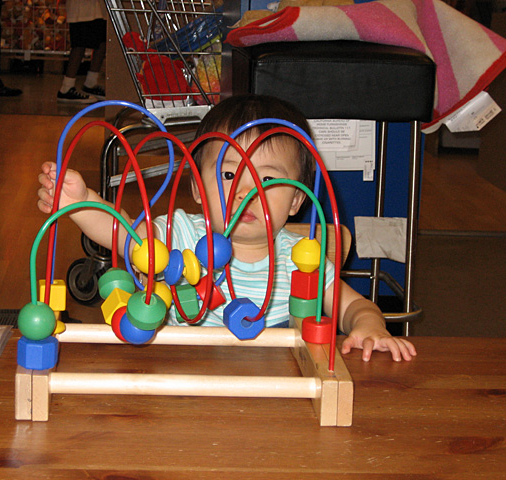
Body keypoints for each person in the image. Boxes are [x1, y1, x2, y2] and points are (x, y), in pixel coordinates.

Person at [37, 94, 417, 362]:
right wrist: (80, 201)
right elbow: (122, 234)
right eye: (231, 174)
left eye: (268, 181)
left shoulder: (303, 262)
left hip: (273, 395)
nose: (245, 192)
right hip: (178, 383)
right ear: (198, 189)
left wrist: (371, 328)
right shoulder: (178, 236)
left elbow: (357, 308)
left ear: (298, 200)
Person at [57, 0, 107, 103]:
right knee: (79, 45)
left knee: (102, 42)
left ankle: (91, 83)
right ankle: (66, 87)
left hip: (98, 8)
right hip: (80, 8)